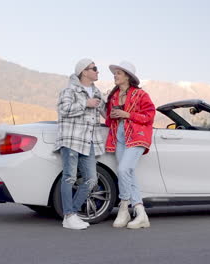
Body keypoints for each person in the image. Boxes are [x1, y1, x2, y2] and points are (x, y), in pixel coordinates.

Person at [53, 58, 105, 230]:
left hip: (90, 141)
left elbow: (107, 114)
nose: (97, 71)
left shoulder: (97, 93)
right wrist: (85, 103)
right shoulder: (69, 90)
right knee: (69, 177)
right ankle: (68, 216)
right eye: (94, 68)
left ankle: (71, 214)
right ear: (84, 71)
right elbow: (63, 110)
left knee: (91, 179)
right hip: (72, 140)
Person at [105, 61, 156, 229]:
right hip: (119, 135)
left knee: (123, 170)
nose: (115, 76)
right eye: (115, 73)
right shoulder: (113, 95)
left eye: (118, 73)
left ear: (127, 76)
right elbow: (108, 119)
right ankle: (141, 213)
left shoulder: (140, 94)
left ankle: (124, 208)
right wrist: (111, 114)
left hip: (136, 135)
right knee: (128, 173)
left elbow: (149, 115)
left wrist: (127, 114)